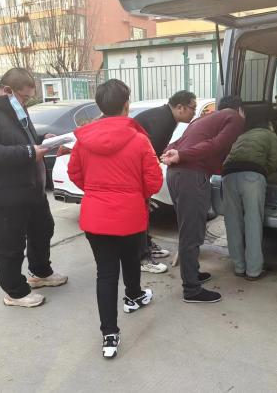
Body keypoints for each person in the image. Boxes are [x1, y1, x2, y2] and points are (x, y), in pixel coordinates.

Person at [67, 79, 163, 359]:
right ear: (126, 105)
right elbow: (154, 181)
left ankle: (109, 335)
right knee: (131, 258)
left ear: (100, 106)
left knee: (106, 273)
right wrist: (134, 195)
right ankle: (133, 296)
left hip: (95, 216)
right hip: (130, 214)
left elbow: (75, 173)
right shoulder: (139, 139)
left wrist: (96, 191)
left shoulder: (84, 139)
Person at [0, 67, 68, 308]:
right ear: (8, 90)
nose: (26, 103)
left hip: (29, 189)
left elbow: (19, 141)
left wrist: (42, 141)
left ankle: (40, 273)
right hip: (1, 194)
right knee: (9, 245)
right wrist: (30, 152)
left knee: (43, 229)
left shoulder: (15, 108)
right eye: (24, 97)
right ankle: (15, 292)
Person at [161, 95, 245, 303]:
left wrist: (172, 153)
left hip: (175, 175)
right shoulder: (235, 118)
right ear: (240, 109)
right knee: (192, 232)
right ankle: (191, 289)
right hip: (191, 176)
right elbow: (216, 144)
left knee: (188, 228)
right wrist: (183, 156)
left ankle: (192, 274)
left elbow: (176, 143)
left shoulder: (201, 120)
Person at [133, 90, 198, 274]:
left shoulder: (167, 117)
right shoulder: (163, 120)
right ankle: (142, 258)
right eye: (192, 108)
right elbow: (150, 156)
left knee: (143, 213)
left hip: (136, 170)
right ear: (180, 107)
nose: (194, 113)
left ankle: (146, 245)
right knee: (140, 214)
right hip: (134, 174)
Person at [222, 111, 277, 281]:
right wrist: (262, 173)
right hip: (251, 177)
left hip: (228, 175)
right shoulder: (270, 135)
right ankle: (253, 271)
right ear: (269, 124)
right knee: (253, 221)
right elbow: (274, 161)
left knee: (233, 222)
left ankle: (239, 267)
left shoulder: (242, 136)